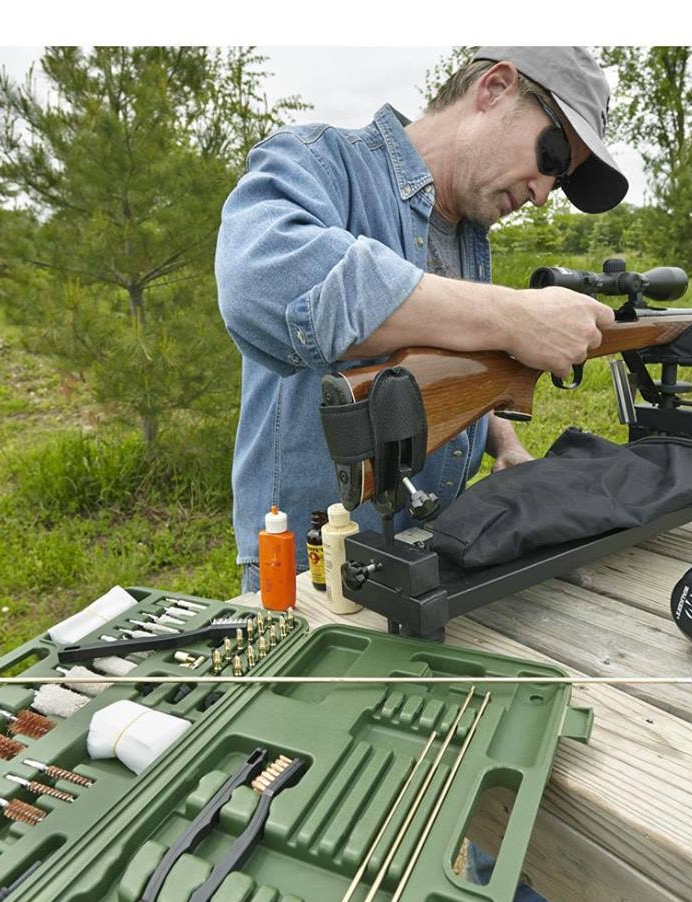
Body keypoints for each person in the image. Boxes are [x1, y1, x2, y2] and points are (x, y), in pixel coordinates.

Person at [215, 46, 629, 595]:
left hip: (435, 551)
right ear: (495, 88)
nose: (542, 194)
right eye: (552, 157)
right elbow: (261, 283)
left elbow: (444, 362)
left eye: (561, 181)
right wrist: (513, 315)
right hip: (310, 569)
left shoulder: (467, 234)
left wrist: (503, 441)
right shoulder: (319, 161)